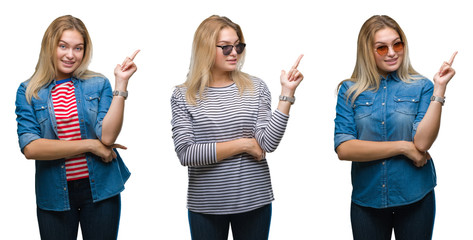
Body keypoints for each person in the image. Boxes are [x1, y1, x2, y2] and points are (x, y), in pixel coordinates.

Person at [171, 15, 304, 240]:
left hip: (254, 199)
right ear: (205, 48)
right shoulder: (183, 95)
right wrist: (243, 144)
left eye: (238, 46)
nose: (234, 53)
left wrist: (287, 94)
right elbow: (186, 153)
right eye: (225, 47)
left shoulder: (256, 87)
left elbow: (267, 144)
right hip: (206, 204)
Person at [15, 15, 139, 240]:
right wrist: (92, 145)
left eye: (78, 48)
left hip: (100, 189)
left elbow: (108, 137)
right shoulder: (29, 91)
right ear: (49, 47)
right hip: (54, 193)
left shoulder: (98, 83)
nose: (70, 55)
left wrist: (121, 84)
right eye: (63, 46)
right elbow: (31, 148)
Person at [334, 15, 457, 240]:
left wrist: (439, 89)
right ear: (367, 51)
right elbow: (344, 148)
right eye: (381, 48)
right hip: (367, 198)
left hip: (416, 197)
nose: (392, 52)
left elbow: (421, 143)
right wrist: (403, 147)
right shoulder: (349, 91)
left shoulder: (422, 86)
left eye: (397, 44)